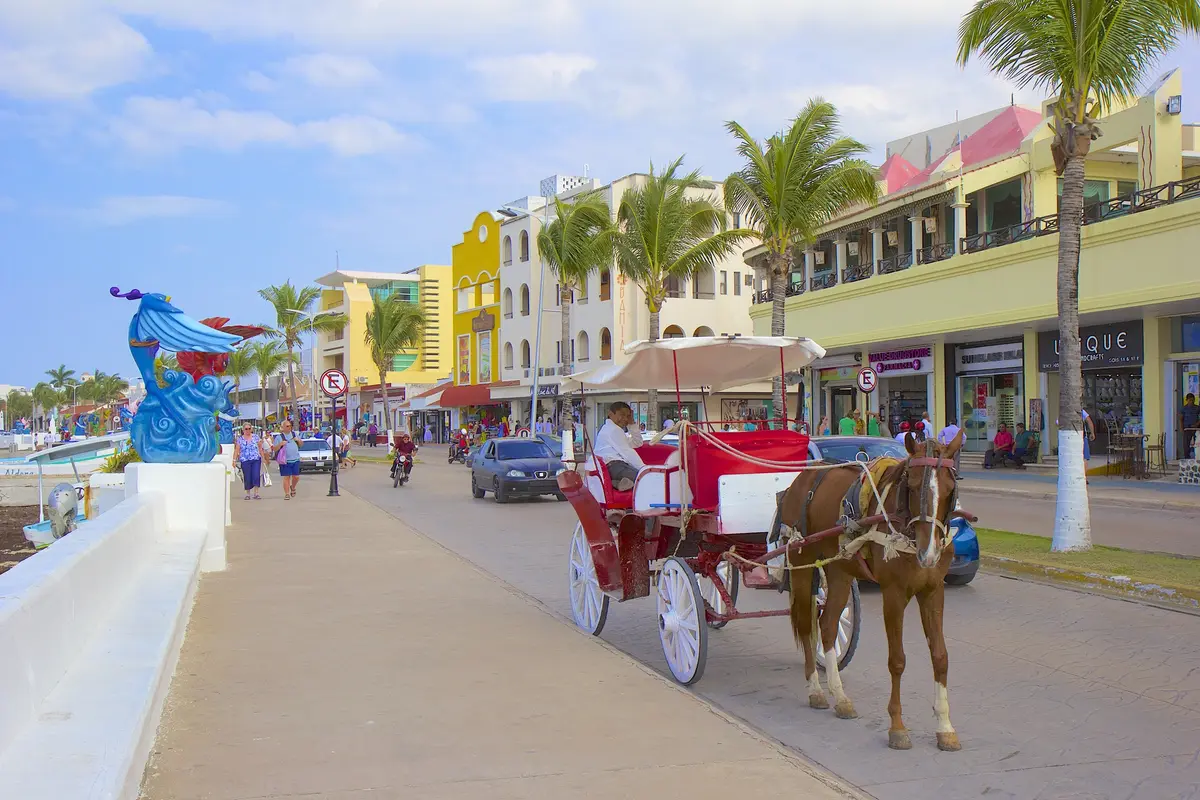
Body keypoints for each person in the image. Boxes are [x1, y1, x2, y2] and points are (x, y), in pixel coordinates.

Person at [594, 401, 645, 491]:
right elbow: (627, 453)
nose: (625, 419)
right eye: (622, 415)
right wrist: (645, 469)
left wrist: (631, 423)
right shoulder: (613, 430)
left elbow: (637, 442)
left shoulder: (609, 429)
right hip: (615, 466)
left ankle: (618, 483)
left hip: (613, 467)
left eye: (628, 416)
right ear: (610, 414)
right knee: (645, 479)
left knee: (641, 479)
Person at [233, 421, 268, 500]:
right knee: (247, 476)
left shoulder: (256, 437)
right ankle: (247, 493)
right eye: (246, 429)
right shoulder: (240, 439)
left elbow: (260, 448)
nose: (248, 430)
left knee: (256, 475)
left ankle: (256, 493)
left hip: (255, 459)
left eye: (249, 429)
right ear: (243, 430)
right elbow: (237, 450)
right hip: (245, 460)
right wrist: (234, 460)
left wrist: (263, 458)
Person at [272, 418, 302, 499]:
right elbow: (274, 449)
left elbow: (301, 444)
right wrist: (280, 444)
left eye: (290, 426)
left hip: (295, 458)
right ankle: (287, 493)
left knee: (296, 476)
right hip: (285, 460)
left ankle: (293, 487)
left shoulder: (294, 434)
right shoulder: (279, 437)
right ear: (283, 427)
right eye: (287, 426)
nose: (289, 427)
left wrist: (298, 440)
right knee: (286, 477)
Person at [1181, 393, 1199, 459]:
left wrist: (1197, 424)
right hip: (1187, 429)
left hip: (1196, 429)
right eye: (1189, 400)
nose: (1191, 402)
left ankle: (1197, 459)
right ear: (1187, 400)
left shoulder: (1197, 408)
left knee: (1197, 445)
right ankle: (1187, 459)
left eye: (1192, 400)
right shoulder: (1184, 408)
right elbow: (1181, 419)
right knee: (1186, 446)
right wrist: (1182, 429)